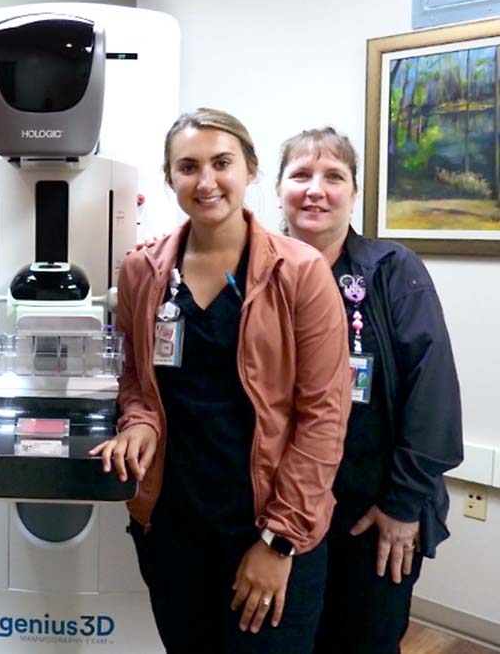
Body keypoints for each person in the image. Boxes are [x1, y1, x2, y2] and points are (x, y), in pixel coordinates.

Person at [91, 108, 351, 653]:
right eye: (188, 167)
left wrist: (278, 541)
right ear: (170, 179)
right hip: (173, 525)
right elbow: (137, 377)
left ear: (250, 170)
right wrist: (139, 424)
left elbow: (324, 418)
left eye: (222, 163)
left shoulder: (299, 273)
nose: (206, 181)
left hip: (267, 523)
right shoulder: (142, 270)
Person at [276, 127, 463, 653]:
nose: (316, 189)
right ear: (278, 189)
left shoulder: (392, 272)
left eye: (333, 176)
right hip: (281, 514)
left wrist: (404, 506)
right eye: (301, 175)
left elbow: (434, 393)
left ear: (353, 193)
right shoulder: (253, 274)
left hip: (373, 514)